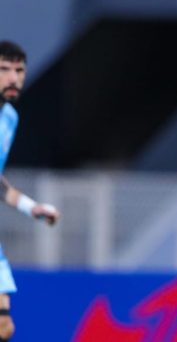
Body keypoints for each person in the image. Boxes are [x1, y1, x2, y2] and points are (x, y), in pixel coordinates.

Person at [0, 41, 59, 341]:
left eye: (19, 71)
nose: (13, 78)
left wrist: (29, 206)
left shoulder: (9, 118)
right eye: (4, 70)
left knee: (4, 326)